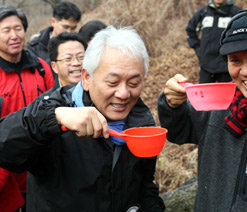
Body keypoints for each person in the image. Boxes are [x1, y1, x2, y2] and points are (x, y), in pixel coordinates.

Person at [0, 26, 165, 212]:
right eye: (112, 82)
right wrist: (55, 119)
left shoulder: (140, 119)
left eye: (134, 83)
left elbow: (144, 183)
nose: (124, 93)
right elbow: (4, 146)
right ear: (86, 78)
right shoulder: (55, 108)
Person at [158, 7, 247, 211]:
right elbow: (179, 130)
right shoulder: (221, 103)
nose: (246, 71)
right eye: (235, 61)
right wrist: (172, 103)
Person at [0, 5, 54, 212]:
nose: (14, 35)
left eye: (18, 28)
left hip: (41, 171)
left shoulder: (41, 67)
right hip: (7, 176)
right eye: (6, 30)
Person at [186, 0, 241, 83]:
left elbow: (242, 37)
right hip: (206, 66)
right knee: (205, 95)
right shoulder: (203, 12)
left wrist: (235, 55)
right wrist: (199, 50)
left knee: (226, 95)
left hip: (226, 67)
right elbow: (190, 31)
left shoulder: (236, 13)